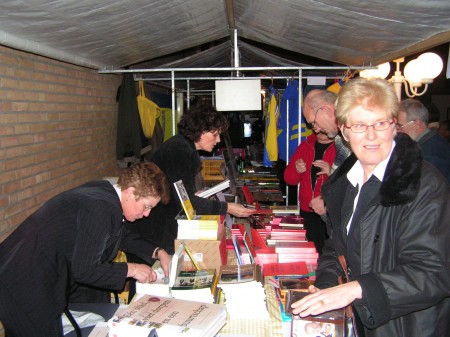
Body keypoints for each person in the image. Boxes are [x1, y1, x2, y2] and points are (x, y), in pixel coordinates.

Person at [291, 78, 450, 337]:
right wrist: (325, 287)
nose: (372, 135)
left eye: (380, 123)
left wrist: (356, 289)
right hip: (363, 321)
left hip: (408, 326)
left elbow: (434, 273)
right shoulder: (344, 182)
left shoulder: (423, 184)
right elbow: (336, 247)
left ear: (394, 126)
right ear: (343, 130)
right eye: (359, 125)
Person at [0, 162, 172, 337]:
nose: (147, 214)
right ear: (129, 192)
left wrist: (158, 251)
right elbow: (85, 270)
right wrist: (132, 269)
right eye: (147, 206)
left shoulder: (106, 194)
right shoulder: (101, 208)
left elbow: (120, 234)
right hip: (22, 281)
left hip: (33, 274)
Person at [127, 102, 254, 258]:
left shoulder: (183, 147)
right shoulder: (179, 150)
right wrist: (226, 207)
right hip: (152, 230)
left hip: (160, 225)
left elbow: (181, 193)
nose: (219, 139)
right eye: (215, 134)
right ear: (200, 131)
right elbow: (186, 202)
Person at [284, 131, 336, 254]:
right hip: (308, 211)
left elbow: (349, 181)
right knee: (310, 255)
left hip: (331, 212)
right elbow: (289, 179)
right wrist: (296, 170)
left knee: (330, 254)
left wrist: (332, 172)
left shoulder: (342, 147)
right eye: (313, 124)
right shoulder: (305, 145)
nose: (317, 127)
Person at [302, 89, 351, 216]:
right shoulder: (341, 140)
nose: (316, 129)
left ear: (326, 110)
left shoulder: (353, 138)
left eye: (313, 122)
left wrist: (326, 203)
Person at [397, 98, 450, 183]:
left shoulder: (429, 153)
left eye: (400, 126)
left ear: (417, 124)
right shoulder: (434, 141)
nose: (397, 131)